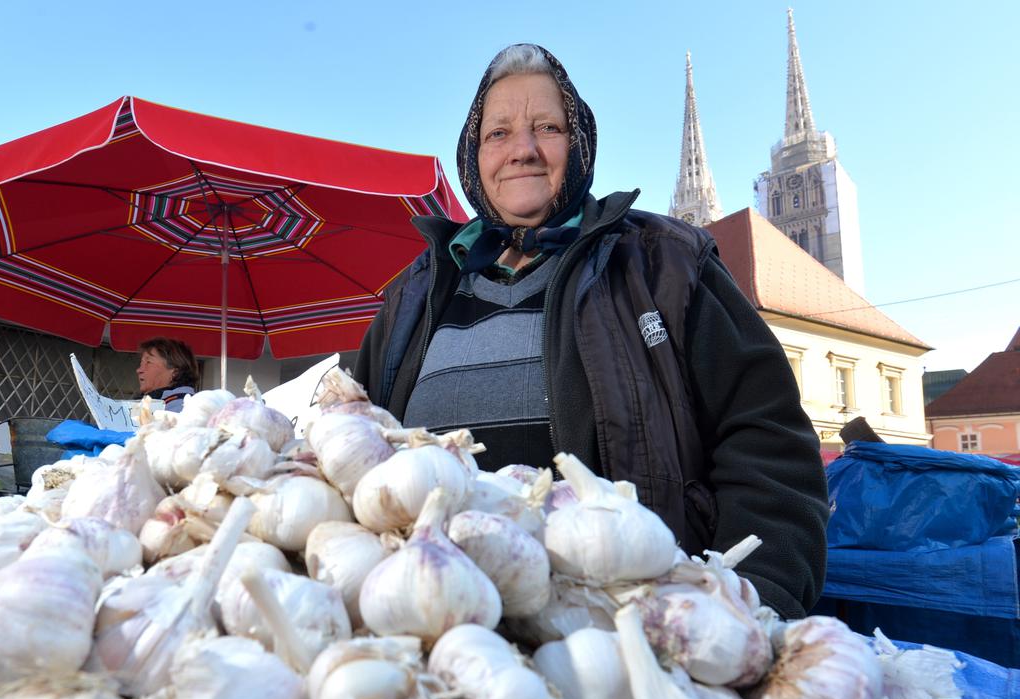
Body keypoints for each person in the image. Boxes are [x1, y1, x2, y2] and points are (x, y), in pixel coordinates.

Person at [352, 44, 828, 619]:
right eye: (497, 133)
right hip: (431, 627)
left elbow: (766, 438)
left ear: (579, 144)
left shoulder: (665, 262)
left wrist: (760, 601)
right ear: (472, 157)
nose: (521, 149)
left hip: (629, 636)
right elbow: (358, 448)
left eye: (546, 127)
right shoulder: (415, 292)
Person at [136, 337, 199, 413]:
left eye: (148, 362)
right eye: (141, 364)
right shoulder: (152, 402)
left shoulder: (184, 408)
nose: (139, 370)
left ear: (175, 373)